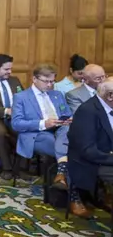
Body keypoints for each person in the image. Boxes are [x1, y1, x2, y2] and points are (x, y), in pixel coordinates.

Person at [10, 64, 89, 217]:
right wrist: (43, 123)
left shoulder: (57, 94)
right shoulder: (21, 97)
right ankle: (74, 197)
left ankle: (62, 174)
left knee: (68, 135)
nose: (49, 84)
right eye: (46, 81)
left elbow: (66, 113)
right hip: (36, 133)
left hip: (60, 130)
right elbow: (16, 124)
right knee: (71, 151)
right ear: (34, 79)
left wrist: (68, 120)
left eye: (52, 81)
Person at [68, 77, 113, 215]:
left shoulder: (108, 105)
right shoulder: (87, 111)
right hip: (91, 163)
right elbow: (87, 150)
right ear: (111, 96)